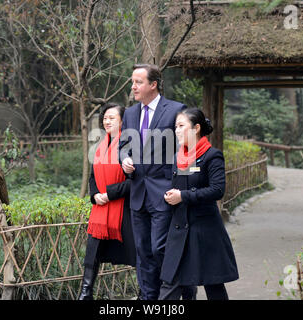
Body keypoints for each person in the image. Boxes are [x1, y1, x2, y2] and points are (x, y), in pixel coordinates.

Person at [119, 64, 192, 300]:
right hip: (138, 192)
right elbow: (123, 147)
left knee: (159, 248)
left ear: (153, 84)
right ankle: (148, 298)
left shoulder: (175, 110)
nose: (133, 86)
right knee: (143, 252)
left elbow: (186, 148)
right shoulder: (129, 113)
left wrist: (178, 184)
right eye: (132, 81)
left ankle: (182, 289)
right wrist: (125, 160)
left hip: (164, 191)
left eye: (138, 82)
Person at [159, 108, 239, 300]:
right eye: (175, 126)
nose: (176, 130)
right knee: (170, 284)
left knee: (213, 286)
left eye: (181, 126)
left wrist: (183, 196)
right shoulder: (177, 158)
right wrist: (171, 196)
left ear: (196, 128)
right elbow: (177, 187)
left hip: (204, 231)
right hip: (179, 230)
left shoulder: (212, 156)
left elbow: (217, 190)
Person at [79, 103, 136, 300]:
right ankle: (86, 293)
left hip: (124, 209)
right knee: (92, 253)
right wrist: (95, 195)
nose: (107, 120)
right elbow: (93, 177)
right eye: (105, 118)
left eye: (112, 117)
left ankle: (147, 294)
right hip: (101, 209)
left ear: (122, 121)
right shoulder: (99, 147)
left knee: (137, 254)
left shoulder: (129, 146)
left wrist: (109, 194)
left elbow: (135, 182)